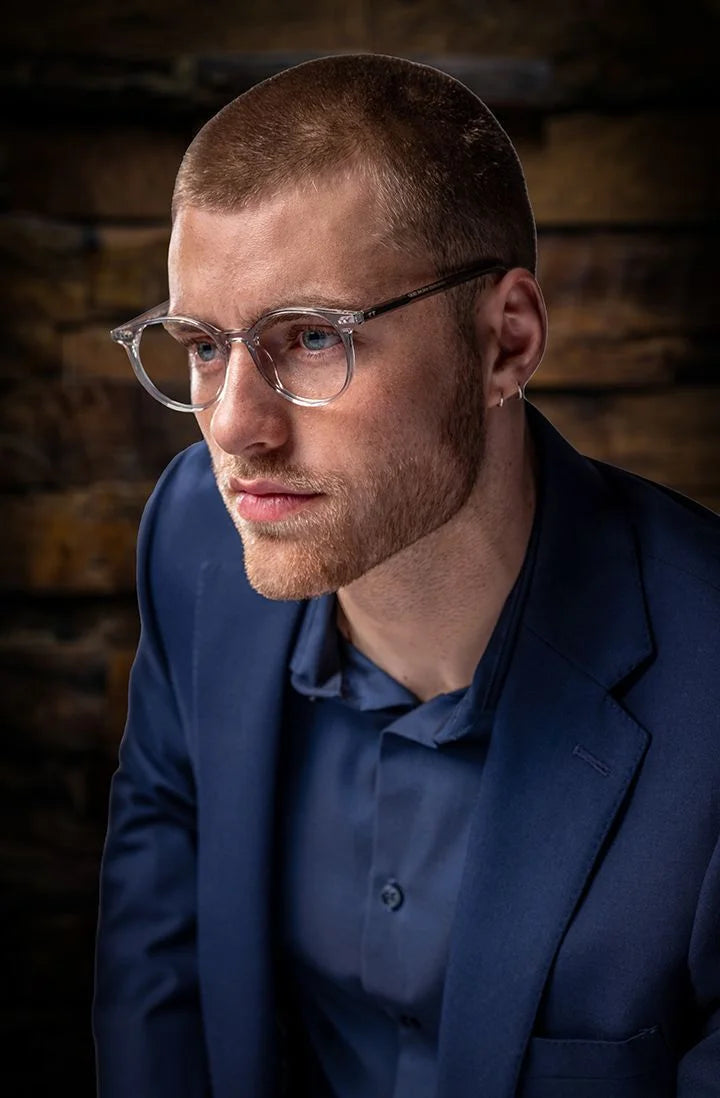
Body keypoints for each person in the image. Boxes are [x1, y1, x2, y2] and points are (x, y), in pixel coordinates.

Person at [92, 53, 720, 1098]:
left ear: (504, 343)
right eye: (203, 345)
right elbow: (160, 943)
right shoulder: (193, 540)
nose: (234, 429)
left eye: (309, 338)